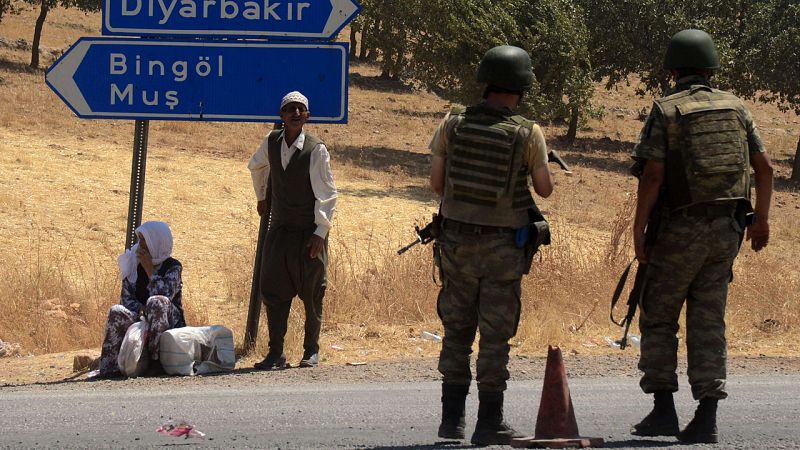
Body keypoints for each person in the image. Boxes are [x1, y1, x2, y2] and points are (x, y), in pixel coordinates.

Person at [630, 29, 773, 444]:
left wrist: (639, 229)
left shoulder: (667, 109)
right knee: (708, 320)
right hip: (727, 229)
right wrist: (760, 220)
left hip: (680, 227)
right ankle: (706, 417)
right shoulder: (736, 107)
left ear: (673, 69)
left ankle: (663, 412)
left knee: (658, 315)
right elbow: (764, 168)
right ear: (711, 68)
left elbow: (653, 174)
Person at [428, 45, 555, 445]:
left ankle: (451, 424)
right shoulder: (527, 132)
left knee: (457, 329)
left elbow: (436, 185)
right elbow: (544, 190)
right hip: (503, 249)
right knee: (496, 334)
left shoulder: (453, 123)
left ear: (486, 80)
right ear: (522, 85)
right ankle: (489, 423)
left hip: (456, 243)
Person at [248, 91, 337, 370]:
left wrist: (320, 232)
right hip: (280, 231)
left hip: (308, 234)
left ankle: (311, 351)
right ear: (282, 116)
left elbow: (328, 194)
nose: (295, 113)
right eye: (290, 109)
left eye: (300, 109)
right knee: (273, 291)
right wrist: (262, 196)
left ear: (307, 116)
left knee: (312, 294)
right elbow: (256, 166)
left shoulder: (316, 149)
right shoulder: (271, 142)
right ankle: (275, 353)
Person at [93, 221, 186, 378]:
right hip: (142, 316)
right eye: (140, 240)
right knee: (117, 310)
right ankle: (110, 367)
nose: (141, 245)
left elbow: (166, 294)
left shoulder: (173, 266)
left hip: (168, 320)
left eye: (145, 240)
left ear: (156, 242)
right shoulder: (134, 265)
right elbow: (126, 298)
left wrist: (150, 270)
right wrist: (142, 311)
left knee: (156, 301)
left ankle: (156, 362)